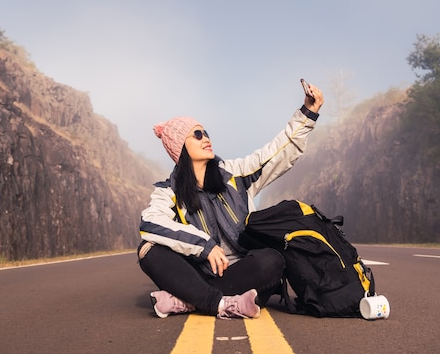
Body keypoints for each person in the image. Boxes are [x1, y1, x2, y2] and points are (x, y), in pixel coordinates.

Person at [138, 81, 324, 319]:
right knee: (148, 250)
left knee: (272, 260)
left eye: (206, 132)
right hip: (199, 271)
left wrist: (307, 114)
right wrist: (204, 247)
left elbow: (275, 153)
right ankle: (221, 303)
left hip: (243, 273)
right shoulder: (169, 191)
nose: (206, 138)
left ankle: (189, 300)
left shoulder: (235, 175)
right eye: (197, 134)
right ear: (180, 147)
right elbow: (150, 223)